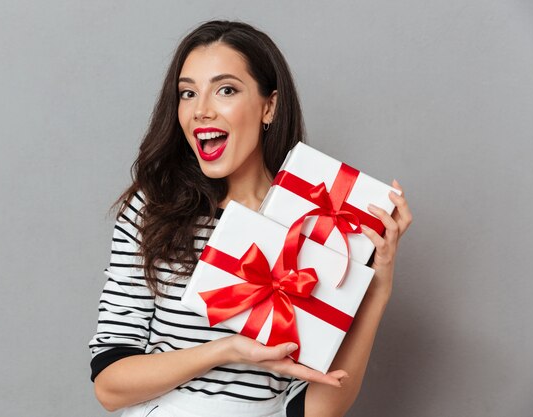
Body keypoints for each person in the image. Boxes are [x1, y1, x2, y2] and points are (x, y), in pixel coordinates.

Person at [88, 20, 412, 417]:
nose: (201, 110)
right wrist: (226, 350)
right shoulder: (152, 208)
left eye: (225, 90)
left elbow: (313, 411)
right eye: (188, 93)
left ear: (269, 106)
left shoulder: (315, 228)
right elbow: (109, 384)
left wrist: (376, 288)